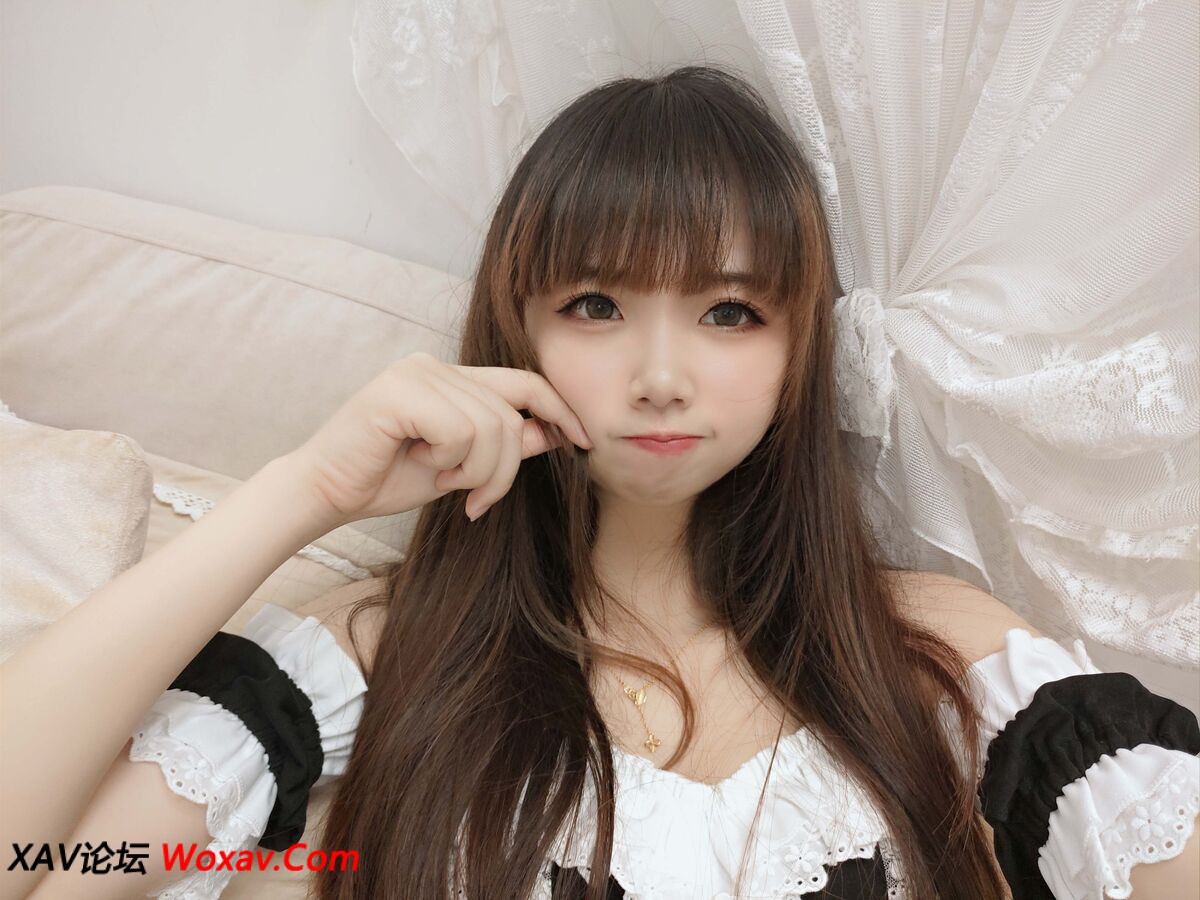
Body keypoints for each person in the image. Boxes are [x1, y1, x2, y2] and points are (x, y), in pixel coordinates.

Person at [2, 65, 1197, 900]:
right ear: (516, 326)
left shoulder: (938, 663)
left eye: (730, 311)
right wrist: (306, 488)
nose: (661, 378)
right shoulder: (374, 657)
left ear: (800, 350)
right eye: (595, 304)